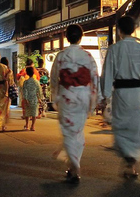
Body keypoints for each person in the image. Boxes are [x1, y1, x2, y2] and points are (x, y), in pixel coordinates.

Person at [101, 16, 140, 178]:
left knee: (121, 127)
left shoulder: (114, 49)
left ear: (119, 30)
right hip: (138, 94)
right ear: (133, 29)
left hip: (121, 94)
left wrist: (105, 95)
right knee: (135, 128)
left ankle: (129, 160)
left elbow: (107, 74)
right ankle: (133, 162)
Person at [51, 24, 99, 184]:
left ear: (66, 37)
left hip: (67, 96)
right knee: (78, 132)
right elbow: (95, 78)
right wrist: (93, 102)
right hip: (84, 96)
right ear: (81, 37)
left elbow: (54, 79)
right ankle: (72, 167)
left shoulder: (61, 56)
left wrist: (55, 97)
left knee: (68, 131)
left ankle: (75, 166)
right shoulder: (88, 56)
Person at [21, 67, 42, 131]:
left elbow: (24, 91)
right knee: (34, 113)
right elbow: (39, 91)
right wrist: (39, 98)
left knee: (27, 112)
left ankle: (27, 125)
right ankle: (32, 126)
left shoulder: (26, 82)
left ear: (27, 73)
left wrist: (25, 98)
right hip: (34, 98)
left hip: (28, 98)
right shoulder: (37, 82)